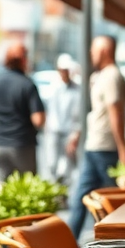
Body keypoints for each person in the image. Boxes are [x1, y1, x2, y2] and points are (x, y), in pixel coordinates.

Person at [67, 35, 125, 239]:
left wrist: (122, 149)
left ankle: (119, 242)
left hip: (106, 148)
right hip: (95, 145)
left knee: (109, 201)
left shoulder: (112, 76)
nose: (91, 55)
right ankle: (68, 242)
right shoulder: (102, 76)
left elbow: (116, 114)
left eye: (93, 50)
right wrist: (78, 133)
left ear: (104, 51)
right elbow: (96, 113)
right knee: (82, 197)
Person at [0, 42, 45, 180]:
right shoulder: (27, 85)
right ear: (24, 60)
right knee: (27, 192)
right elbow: (38, 120)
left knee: (4, 192)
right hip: (22, 146)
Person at [44, 53, 81, 185]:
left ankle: (65, 192)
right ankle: (56, 189)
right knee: (52, 163)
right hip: (53, 131)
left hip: (69, 132)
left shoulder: (77, 89)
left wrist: (76, 134)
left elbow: (79, 115)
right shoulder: (53, 87)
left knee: (68, 165)